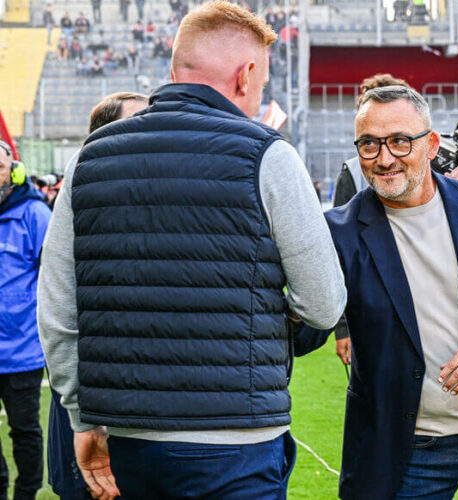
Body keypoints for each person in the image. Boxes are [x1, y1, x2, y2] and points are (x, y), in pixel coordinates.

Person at [38, 2, 346, 499]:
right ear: (246, 75)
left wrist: (80, 415)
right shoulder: (267, 154)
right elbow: (325, 302)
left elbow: (56, 311)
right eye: (262, 83)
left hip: (127, 435)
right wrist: (257, 322)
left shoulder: (89, 158)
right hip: (238, 439)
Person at [322, 85, 458, 499]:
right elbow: (308, 327)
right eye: (369, 144)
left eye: (400, 141)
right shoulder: (337, 232)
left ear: (432, 144)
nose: (385, 159)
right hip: (406, 451)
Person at [45, 92, 149, 500]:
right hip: (86, 409)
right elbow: (57, 312)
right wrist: (81, 414)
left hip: (139, 414)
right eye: (138, 122)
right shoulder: (83, 193)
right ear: (101, 138)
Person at [332, 73, 410, 366]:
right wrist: (342, 327)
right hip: (372, 314)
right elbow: (338, 253)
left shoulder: (435, 167)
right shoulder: (353, 172)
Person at [0, 141, 51, 500]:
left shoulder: (34, 214)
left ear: (14, 170)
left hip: (22, 350)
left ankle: (27, 492)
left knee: (25, 430)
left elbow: (53, 280)